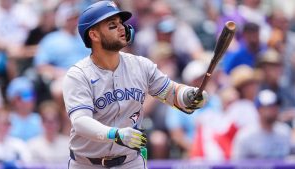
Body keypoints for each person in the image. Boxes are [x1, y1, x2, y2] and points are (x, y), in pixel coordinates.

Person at [62, 1, 208, 169]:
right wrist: (115, 134)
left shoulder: (140, 65)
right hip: (87, 164)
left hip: (131, 162)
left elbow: (171, 92)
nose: (122, 28)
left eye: (120, 23)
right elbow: (80, 122)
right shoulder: (78, 75)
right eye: (112, 25)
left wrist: (189, 95)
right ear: (94, 35)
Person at [232, 89, 292, 159]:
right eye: (269, 106)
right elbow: (237, 164)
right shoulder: (246, 135)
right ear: (259, 109)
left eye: (276, 105)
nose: (274, 109)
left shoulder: (284, 131)